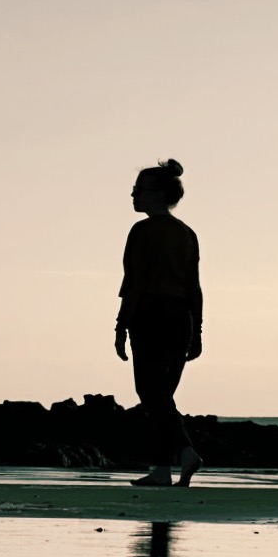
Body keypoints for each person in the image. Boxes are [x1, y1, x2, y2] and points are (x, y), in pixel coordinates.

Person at [114, 159, 203, 488]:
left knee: (151, 394)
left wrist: (121, 326)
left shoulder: (143, 231)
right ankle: (164, 469)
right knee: (162, 396)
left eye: (139, 190)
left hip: (150, 313)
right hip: (182, 318)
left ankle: (182, 454)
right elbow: (194, 286)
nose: (133, 195)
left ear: (158, 194)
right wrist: (198, 331)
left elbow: (134, 282)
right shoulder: (187, 234)